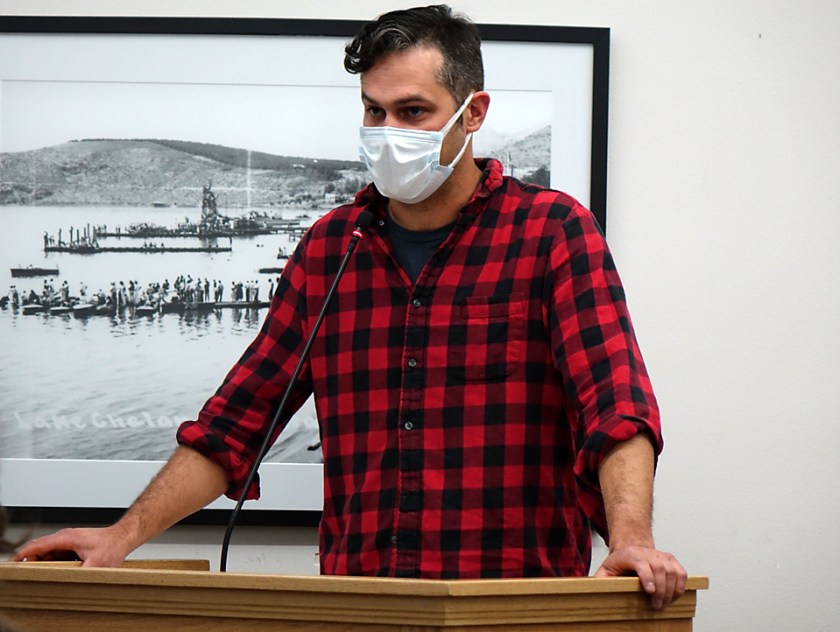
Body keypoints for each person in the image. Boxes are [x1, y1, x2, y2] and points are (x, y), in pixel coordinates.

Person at [13, 5, 685, 610]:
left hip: (512, 608)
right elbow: (236, 424)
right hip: (359, 607)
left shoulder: (551, 232)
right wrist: (121, 536)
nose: (388, 132)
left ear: (473, 113)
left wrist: (631, 538)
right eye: (373, 111)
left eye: (413, 112)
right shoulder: (330, 247)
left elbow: (616, 405)